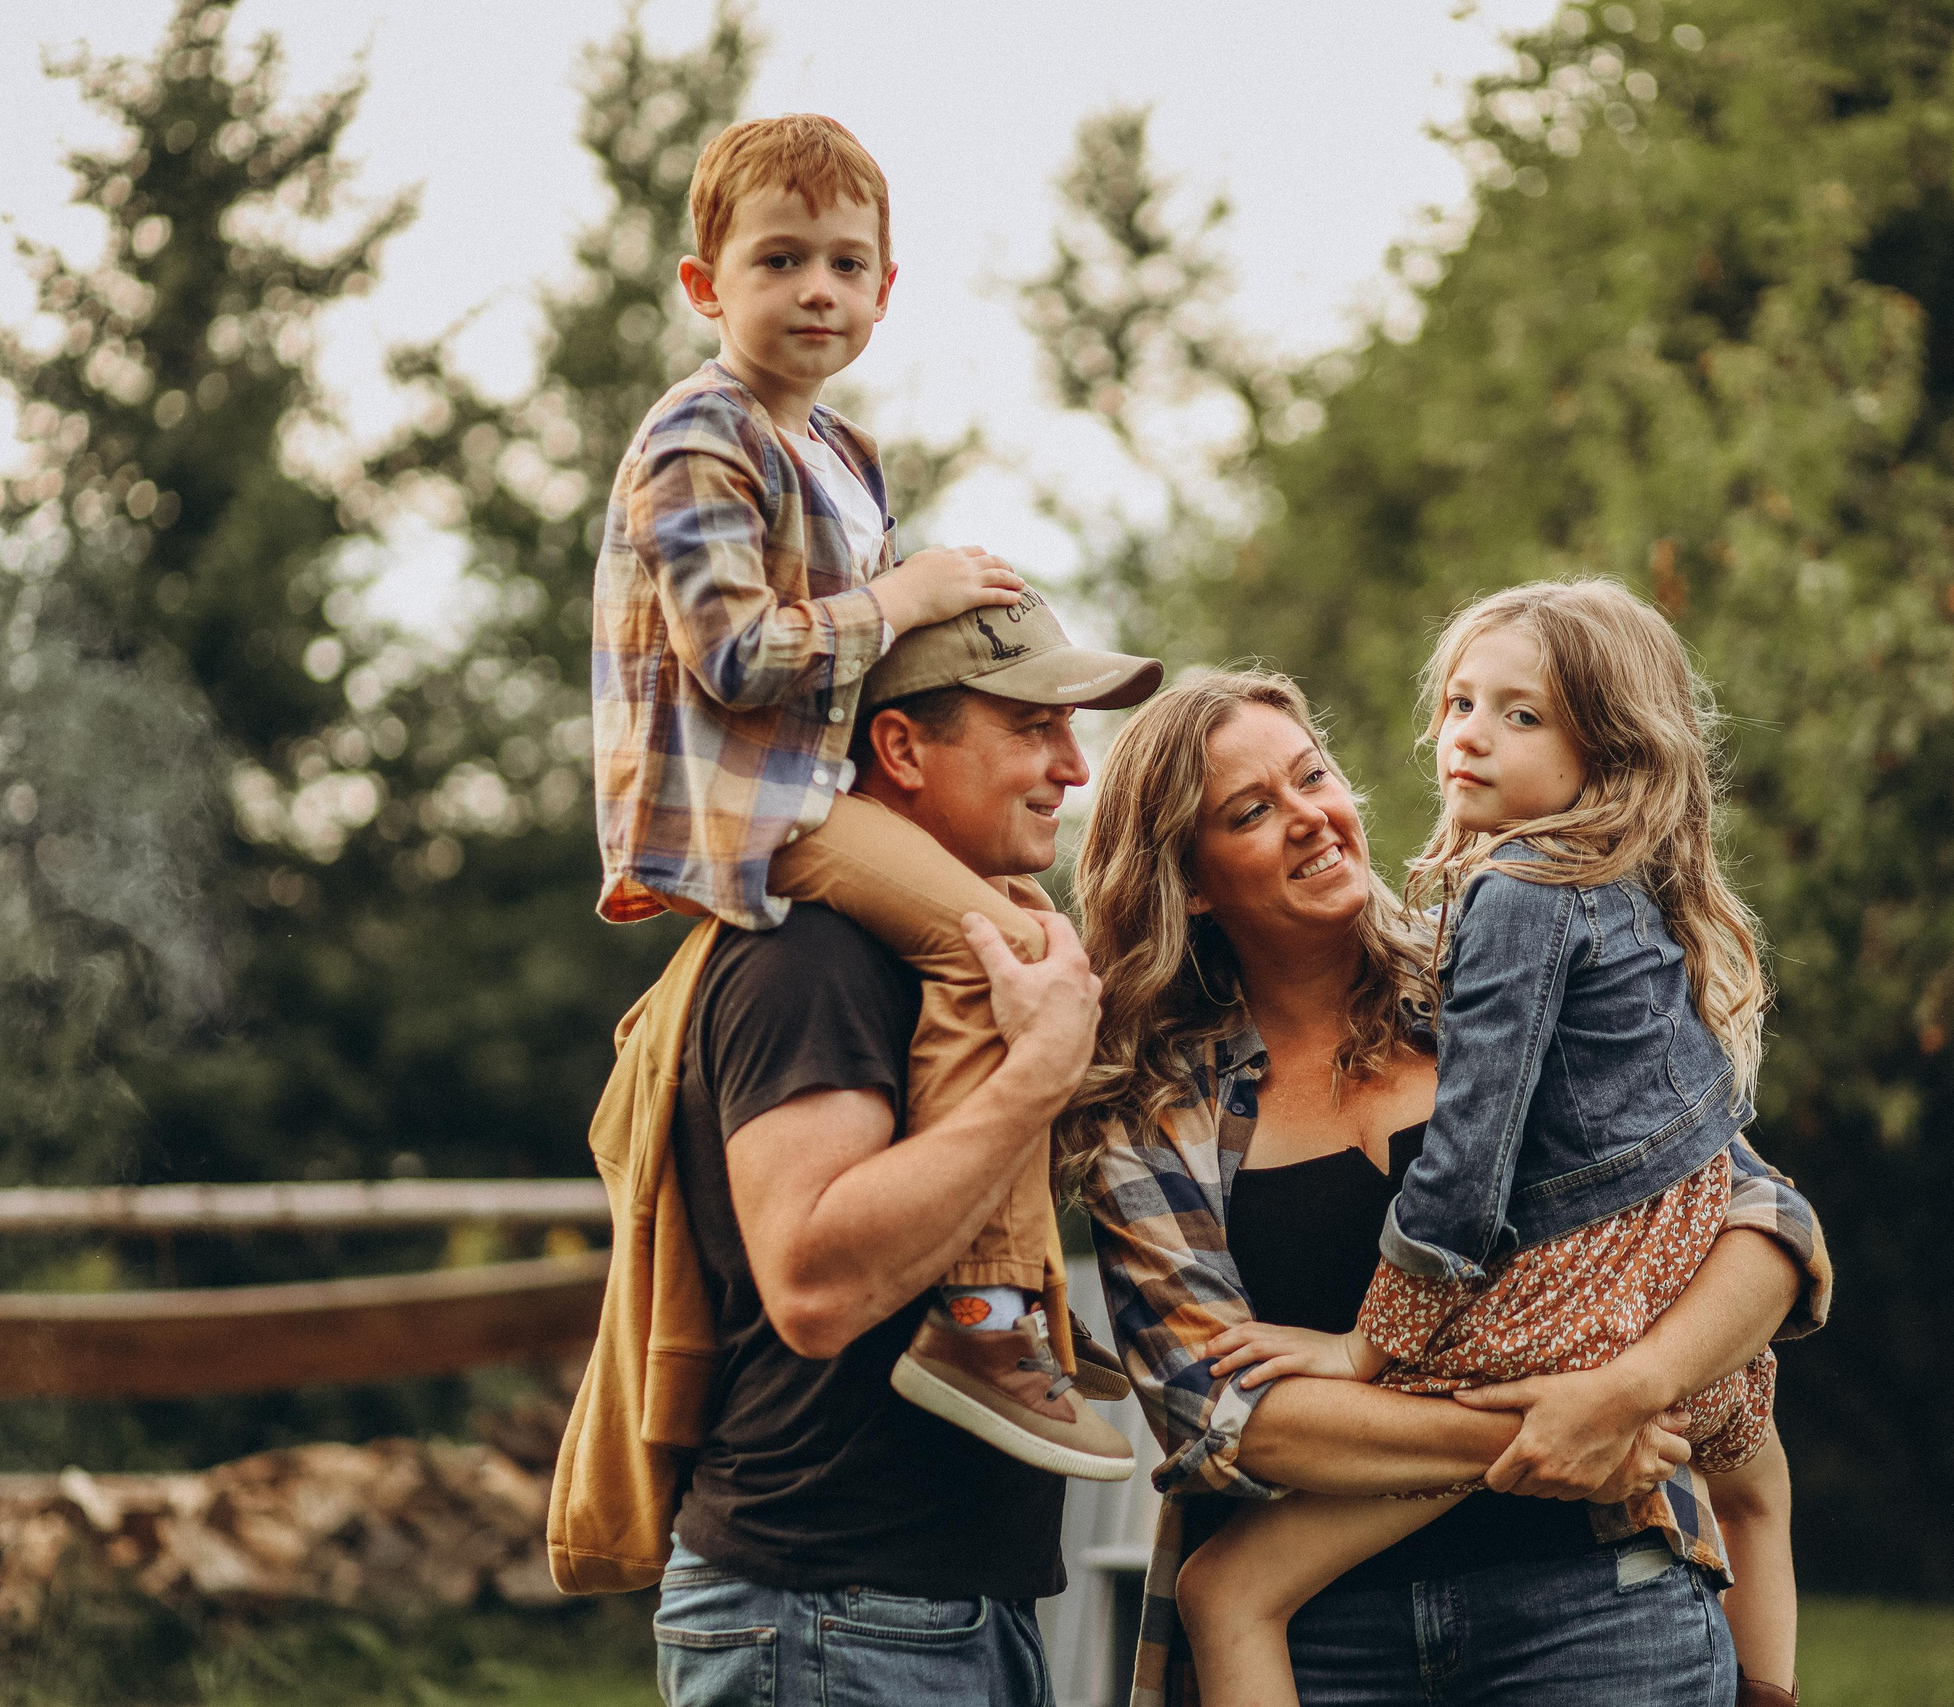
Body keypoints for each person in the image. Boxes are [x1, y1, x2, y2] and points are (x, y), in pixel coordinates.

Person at [1066, 666, 1831, 1707]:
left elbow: (1761, 1221)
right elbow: (1226, 1415)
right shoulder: (1155, 1108)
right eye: (1251, 812)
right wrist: (1557, 1435)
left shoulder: (1501, 971)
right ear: (1189, 880)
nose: (1307, 818)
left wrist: (1627, 1392)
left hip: (1597, 1597)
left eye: (1311, 777)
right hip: (1320, 1639)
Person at [589, 111, 1149, 1473]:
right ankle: (982, 1311)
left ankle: (1018, 1297)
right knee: (1000, 948)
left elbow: (882, 660)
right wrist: (904, 592)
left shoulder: (841, 448)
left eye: (848, 265)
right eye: (779, 261)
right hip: (751, 807)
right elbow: (734, 651)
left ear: (886, 291)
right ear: (705, 284)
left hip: (823, 789)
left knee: (1029, 924)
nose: (818, 291)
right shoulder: (697, 440)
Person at [650, 605, 1165, 1707]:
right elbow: (812, 1282)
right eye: (1034, 728)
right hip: (833, 1613)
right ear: (899, 749)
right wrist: (1036, 1075)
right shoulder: (813, 956)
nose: (1072, 768)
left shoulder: (961, 954)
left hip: (924, 1609)